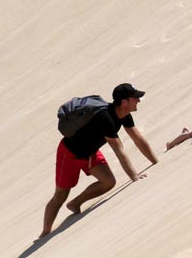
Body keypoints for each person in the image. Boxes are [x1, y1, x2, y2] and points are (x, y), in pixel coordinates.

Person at [40, 83, 158, 238]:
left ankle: (76, 203)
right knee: (60, 195)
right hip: (69, 154)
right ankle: (45, 233)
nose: (138, 101)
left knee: (108, 182)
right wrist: (134, 177)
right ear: (124, 102)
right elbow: (118, 150)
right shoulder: (105, 117)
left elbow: (138, 138)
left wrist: (156, 162)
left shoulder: (124, 115)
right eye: (135, 98)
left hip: (90, 153)